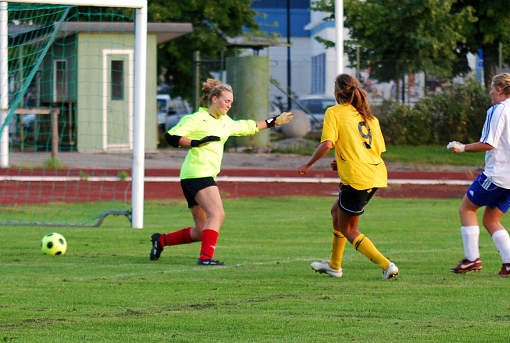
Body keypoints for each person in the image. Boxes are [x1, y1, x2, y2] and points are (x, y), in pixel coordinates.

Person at [149, 78, 293, 266]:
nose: (229, 105)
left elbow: (246, 127)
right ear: (215, 99)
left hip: (196, 176)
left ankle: (161, 241)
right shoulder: (196, 119)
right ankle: (206, 258)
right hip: (197, 173)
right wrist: (196, 142)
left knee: (201, 230)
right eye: (227, 101)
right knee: (217, 214)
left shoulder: (225, 121)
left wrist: (273, 122)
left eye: (231, 102)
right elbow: (171, 136)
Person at [298, 73, 398, 280]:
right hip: (375, 173)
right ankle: (334, 265)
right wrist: (342, 160)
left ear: (337, 93)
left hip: (356, 177)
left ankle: (386, 265)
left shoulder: (334, 112)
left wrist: (307, 164)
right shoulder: (369, 117)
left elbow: (327, 144)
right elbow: (374, 150)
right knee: (336, 212)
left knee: (349, 229)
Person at [447, 73, 510, 277]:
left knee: (467, 208)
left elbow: (489, 143)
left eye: (492, 89)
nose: (491, 93)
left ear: (499, 90)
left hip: (498, 175)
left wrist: (462, 147)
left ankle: (472, 259)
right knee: (491, 219)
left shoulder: (498, 110)